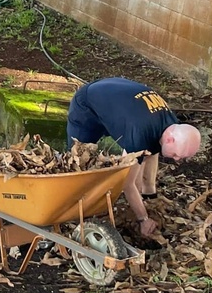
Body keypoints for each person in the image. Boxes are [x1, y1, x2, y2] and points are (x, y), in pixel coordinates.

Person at [67, 77, 201, 237]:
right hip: (88, 103)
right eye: (177, 155)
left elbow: (153, 150)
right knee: (79, 160)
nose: (177, 159)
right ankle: (74, 217)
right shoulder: (139, 133)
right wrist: (143, 219)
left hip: (114, 95)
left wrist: (150, 194)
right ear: (171, 139)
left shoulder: (170, 123)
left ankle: (142, 197)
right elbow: (126, 182)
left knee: (141, 164)